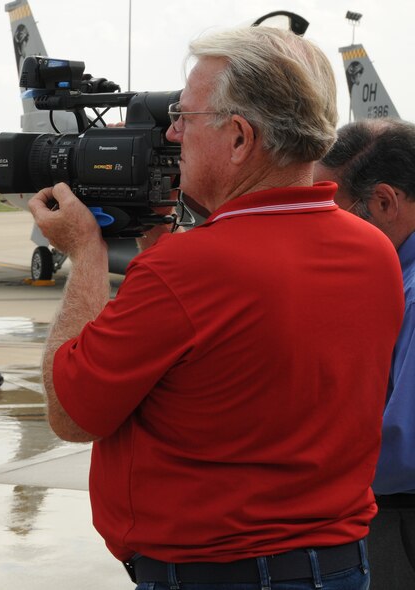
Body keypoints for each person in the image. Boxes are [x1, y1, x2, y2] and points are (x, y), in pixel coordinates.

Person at [29, 26, 404, 590]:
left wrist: (86, 254)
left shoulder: (188, 269)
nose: (172, 132)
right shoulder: (374, 249)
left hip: (219, 573)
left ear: (238, 138)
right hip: (339, 563)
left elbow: (71, 414)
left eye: (183, 115)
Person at [315, 118, 415, 590]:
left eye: (331, 211)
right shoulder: (394, 275)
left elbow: (405, 444)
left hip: (396, 516)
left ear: (384, 202)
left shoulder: (411, 294)